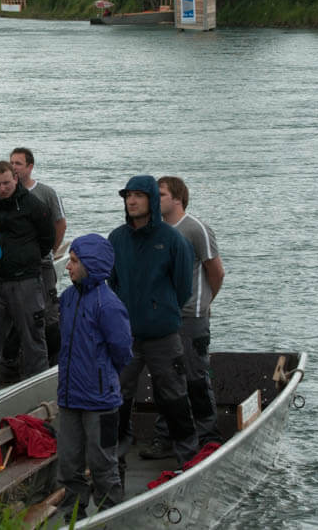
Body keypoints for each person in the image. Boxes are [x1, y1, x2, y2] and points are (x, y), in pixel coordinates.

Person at [108, 174, 196, 465]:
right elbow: (113, 282)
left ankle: (187, 454)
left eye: (138, 195)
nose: (131, 201)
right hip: (126, 336)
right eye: (127, 196)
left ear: (152, 201)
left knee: (173, 395)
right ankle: (117, 453)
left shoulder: (173, 240)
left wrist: (161, 310)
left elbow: (183, 287)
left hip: (163, 336)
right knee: (118, 394)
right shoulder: (117, 239)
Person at [56, 234, 133, 518]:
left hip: (101, 402)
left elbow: (122, 351)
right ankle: (72, 518)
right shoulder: (67, 298)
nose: (68, 267)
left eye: (74, 262)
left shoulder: (109, 305)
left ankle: (109, 517)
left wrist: (101, 376)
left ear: (90, 264)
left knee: (103, 465)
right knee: (68, 465)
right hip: (69, 398)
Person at [157, 176, 224, 448]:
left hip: (192, 315)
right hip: (164, 317)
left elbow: (216, 271)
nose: (155, 199)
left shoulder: (196, 229)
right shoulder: (157, 231)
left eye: (160, 194)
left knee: (196, 376)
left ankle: (208, 434)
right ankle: (166, 435)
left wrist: (204, 304)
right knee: (166, 378)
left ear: (177, 198)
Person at [0, 160, 53, 389]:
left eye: (6, 183)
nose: (2, 188)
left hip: (25, 280)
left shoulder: (33, 205)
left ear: (15, 179)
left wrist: (28, 258)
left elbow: (47, 237)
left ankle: (37, 386)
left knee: (32, 336)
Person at [10, 147, 67, 360]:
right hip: (17, 267)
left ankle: (54, 358)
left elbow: (60, 223)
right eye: (12, 163)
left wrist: (51, 250)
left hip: (42, 264)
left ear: (30, 167)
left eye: (18, 163)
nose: (14, 167)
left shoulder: (46, 193)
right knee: (19, 313)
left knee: (50, 312)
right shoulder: (8, 193)